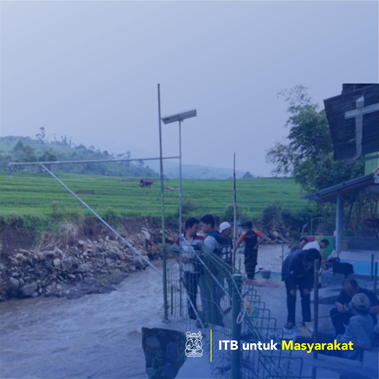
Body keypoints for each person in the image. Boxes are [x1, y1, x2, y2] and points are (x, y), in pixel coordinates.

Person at [297, 293, 374, 360]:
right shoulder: (369, 317)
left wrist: (342, 343)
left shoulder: (355, 321)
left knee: (300, 340)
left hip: (341, 351)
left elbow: (367, 345)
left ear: (353, 305)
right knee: (316, 334)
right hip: (340, 342)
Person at [282, 248, 322, 329]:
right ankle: (291, 321)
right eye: (311, 263)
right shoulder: (296, 258)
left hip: (304, 276)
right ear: (308, 260)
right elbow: (290, 273)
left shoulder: (317, 260)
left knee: (306, 297)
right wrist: (292, 288)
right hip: (289, 273)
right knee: (291, 297)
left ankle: (307, 321)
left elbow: (313, 275)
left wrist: (308, 287)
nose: (313, 265)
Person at [173, 217, 204, 320]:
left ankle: (206, 315)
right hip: (188, 272)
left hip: (201, 271)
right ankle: (192, 317)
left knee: (205, 295)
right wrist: (181, 261)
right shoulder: (180, 239)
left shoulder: (201, 238)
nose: (197, 230)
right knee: (191, 295)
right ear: (188, 228)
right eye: (195, 227)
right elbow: (174, 251)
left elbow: (206, 253)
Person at [199, 214, 224, 326]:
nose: (202, 228)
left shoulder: (209, 239)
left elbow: (205, 257)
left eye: (203, 225)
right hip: (218, 272)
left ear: (209, 225)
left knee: (208, 300)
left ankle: (211, 323)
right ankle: (218, 322)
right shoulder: (219, 236)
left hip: (209, 273)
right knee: (216, 300)